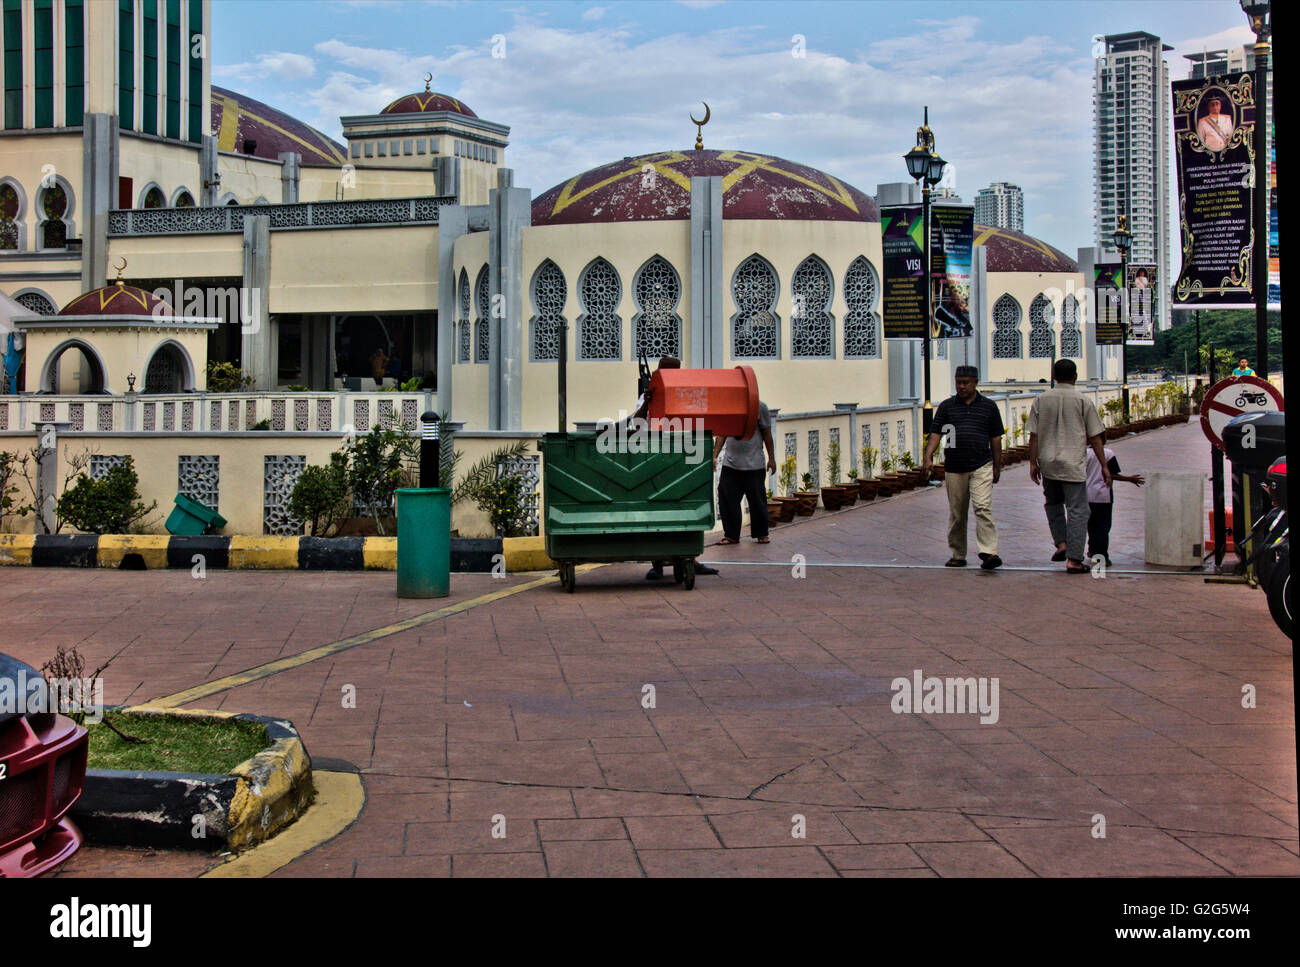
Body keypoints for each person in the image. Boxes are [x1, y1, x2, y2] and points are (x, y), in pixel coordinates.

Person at [637, 356, 719, 580]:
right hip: (655, 462)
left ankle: (690, 559)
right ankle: (657, 564)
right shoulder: (648, 396)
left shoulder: (687, 394)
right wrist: (647, 402)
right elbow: (636, 424)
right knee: (656, 514)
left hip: (684, 462)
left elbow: (701, 424)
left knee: (689, 510)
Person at [1028, 359, 1111, 573]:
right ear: (1075, 376)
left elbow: (1034, 436)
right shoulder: (1083, 401)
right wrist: (1104, 466)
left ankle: (1061, 543)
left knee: (1053, 504)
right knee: (1078, 511)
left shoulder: (1041, 400)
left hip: (1048, 463)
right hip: (1073, 464)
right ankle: (1074, 558)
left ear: (1054, 376)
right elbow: (1095, 438)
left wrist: (1032, 463)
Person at [924, 366, 1005, 569]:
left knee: (982, 507)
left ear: (975, 382)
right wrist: (928, 456)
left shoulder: (988, 407)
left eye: (966, 382)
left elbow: (996, 437)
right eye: (959, 382)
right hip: (954, 466)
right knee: (957, 513)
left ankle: (989, 552)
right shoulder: (946, 407)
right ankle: (958, 553)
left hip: (981, 465)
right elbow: (936, 433)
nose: (962, 386)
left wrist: (997, 464)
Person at [712, 400, 776, 545]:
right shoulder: (729, 406)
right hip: (731, 464)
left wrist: (771, 459)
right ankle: (731, 535)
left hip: (754, 465)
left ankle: (762, 534)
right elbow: (722, 434)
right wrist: (714, 456)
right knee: (727, 500)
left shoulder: (760, 407)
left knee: (757, 502)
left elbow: (767, 434)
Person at [1085, 446, 1145, 568]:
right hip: (1103, 496)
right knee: (1103, 527)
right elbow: (1112, 474)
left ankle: (1093, 550)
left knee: (1091, 525)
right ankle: (1102, 557)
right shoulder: (1107, 453)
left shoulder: (1084, 453)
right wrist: (1129, 479)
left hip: (1086, 495)